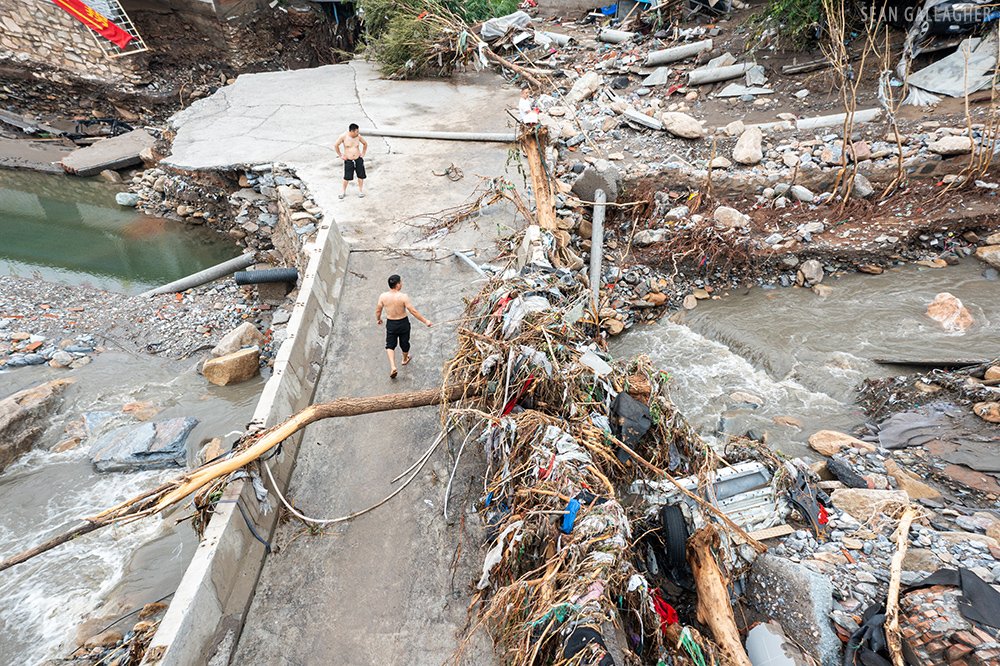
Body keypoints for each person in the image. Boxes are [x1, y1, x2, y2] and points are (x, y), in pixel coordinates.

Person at [376, 274, 433, 378]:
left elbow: (378, 310)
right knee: (404, 342)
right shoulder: (403, 297)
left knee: (390, 345)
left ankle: (393, 366)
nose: (401, 284)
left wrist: (378, 319)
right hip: (403, 323)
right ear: (397, 285)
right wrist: (426, 321)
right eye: (400, 282)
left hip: (391, 323)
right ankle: (404, 359)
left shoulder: (383, 296)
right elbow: (413, 311)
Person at [334, 123, 368, 199]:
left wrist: (363, 153)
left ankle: (360, 191)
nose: (358, 133)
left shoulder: (358, 136)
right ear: (352, 131)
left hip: (358, 159)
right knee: (347, 177)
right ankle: (343, 191)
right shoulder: (343, 136)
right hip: (348, 160)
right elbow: (336, 145)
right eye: (356, 131)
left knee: (360, 175)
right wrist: (340, 155)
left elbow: (365, 144)